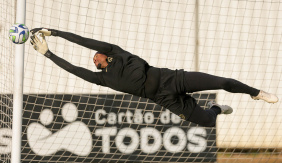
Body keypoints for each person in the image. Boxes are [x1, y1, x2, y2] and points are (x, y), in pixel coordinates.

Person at [30, 28, 279, 127]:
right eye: (92, 61)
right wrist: (48, 54)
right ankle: (215, 108)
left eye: (95, 56)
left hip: (172, 79)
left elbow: (84, 41)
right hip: (163, 99)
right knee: (208, 122)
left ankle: (256, 93)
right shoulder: (102, 78)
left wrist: (55, 33)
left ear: (103, 54)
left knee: (223, 82)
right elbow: (73, 69)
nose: (92, 59)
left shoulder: (116, 51)